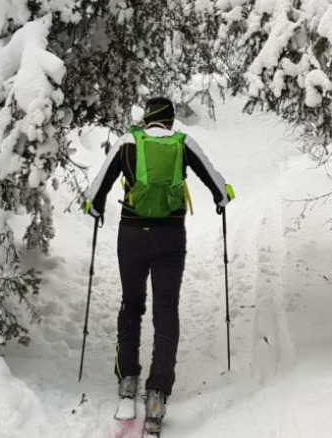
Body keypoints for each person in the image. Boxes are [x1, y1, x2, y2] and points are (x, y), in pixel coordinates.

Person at [83, 97, 233, 432]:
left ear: (146, 117)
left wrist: (93, 208)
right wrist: (224, 197)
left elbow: (96, 193)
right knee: (166, 309)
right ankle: (157, 393)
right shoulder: (183, 144)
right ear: (169, 121)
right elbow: (218, 185)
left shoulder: (128, 142)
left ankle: (127, 381)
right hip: (170, 237)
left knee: (131, 304)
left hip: (132, 236)